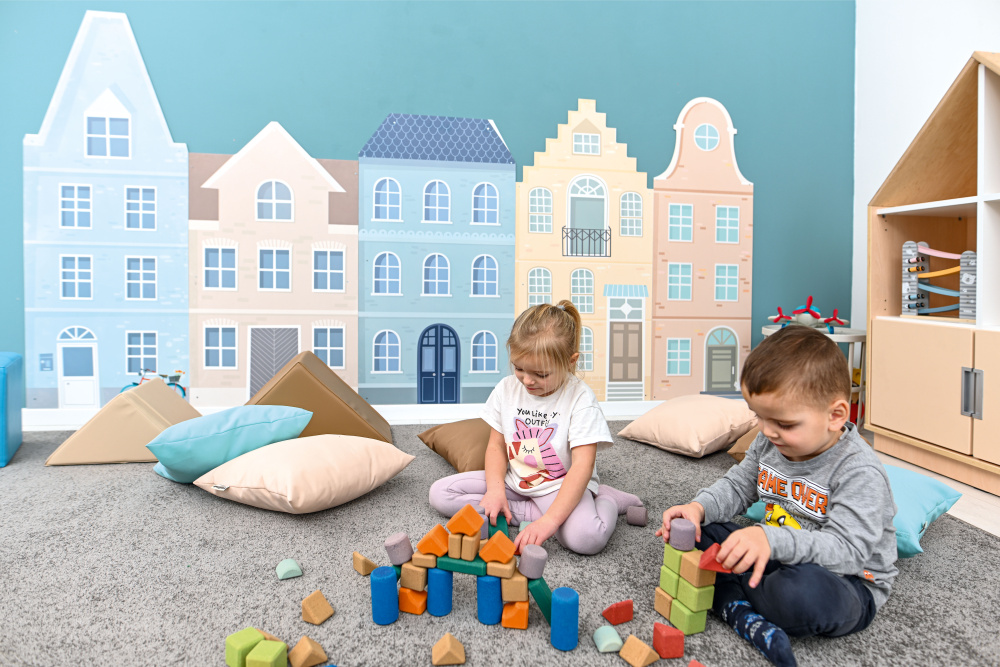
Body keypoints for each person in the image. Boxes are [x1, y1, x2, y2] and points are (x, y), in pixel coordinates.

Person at [656, 325, 898, 667]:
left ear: (835, 416)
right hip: (775, 550)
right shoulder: (769, 440)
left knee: (799, 595)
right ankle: (740, 605)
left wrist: (769, 539)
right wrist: (698, 508)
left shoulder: (860, 471)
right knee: (695, 534)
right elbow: (739, 485)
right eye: (760, 417)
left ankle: (729, 597)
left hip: (845, 579)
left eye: (784, 423)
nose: (768, 431)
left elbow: (848, 551)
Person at [429, 300, 642, 555]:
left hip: (560, 486)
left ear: (571, 362)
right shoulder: (506, 389)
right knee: (440, 493)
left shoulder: (581, 399)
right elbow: (496, 446)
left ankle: (606, 498)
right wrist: (495, 490)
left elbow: (582, 467)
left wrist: (550, 522)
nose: (527, 380)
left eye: (540, 374)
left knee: (587, 538)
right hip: (514, 480)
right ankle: (527, 512)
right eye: (519, 368)